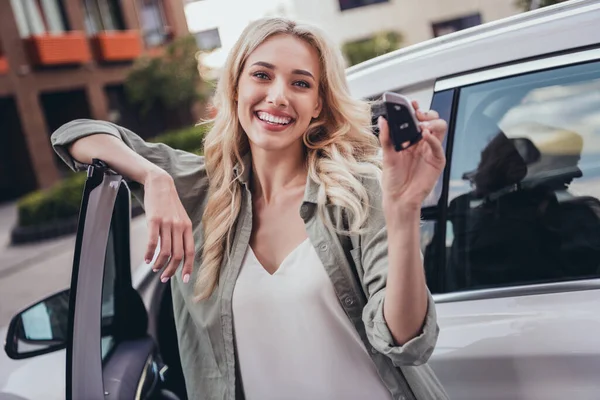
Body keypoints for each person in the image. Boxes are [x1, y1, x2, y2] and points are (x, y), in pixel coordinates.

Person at [51, 17, 449, 400]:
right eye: (262, 75)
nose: (278, 95)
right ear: (236, 88)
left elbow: (405, 343)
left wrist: (404, 212)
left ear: (318, 106)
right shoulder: (200, 189)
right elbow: (75, 134)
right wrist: (154, 177)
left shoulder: (357, 192)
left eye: (300, 83)